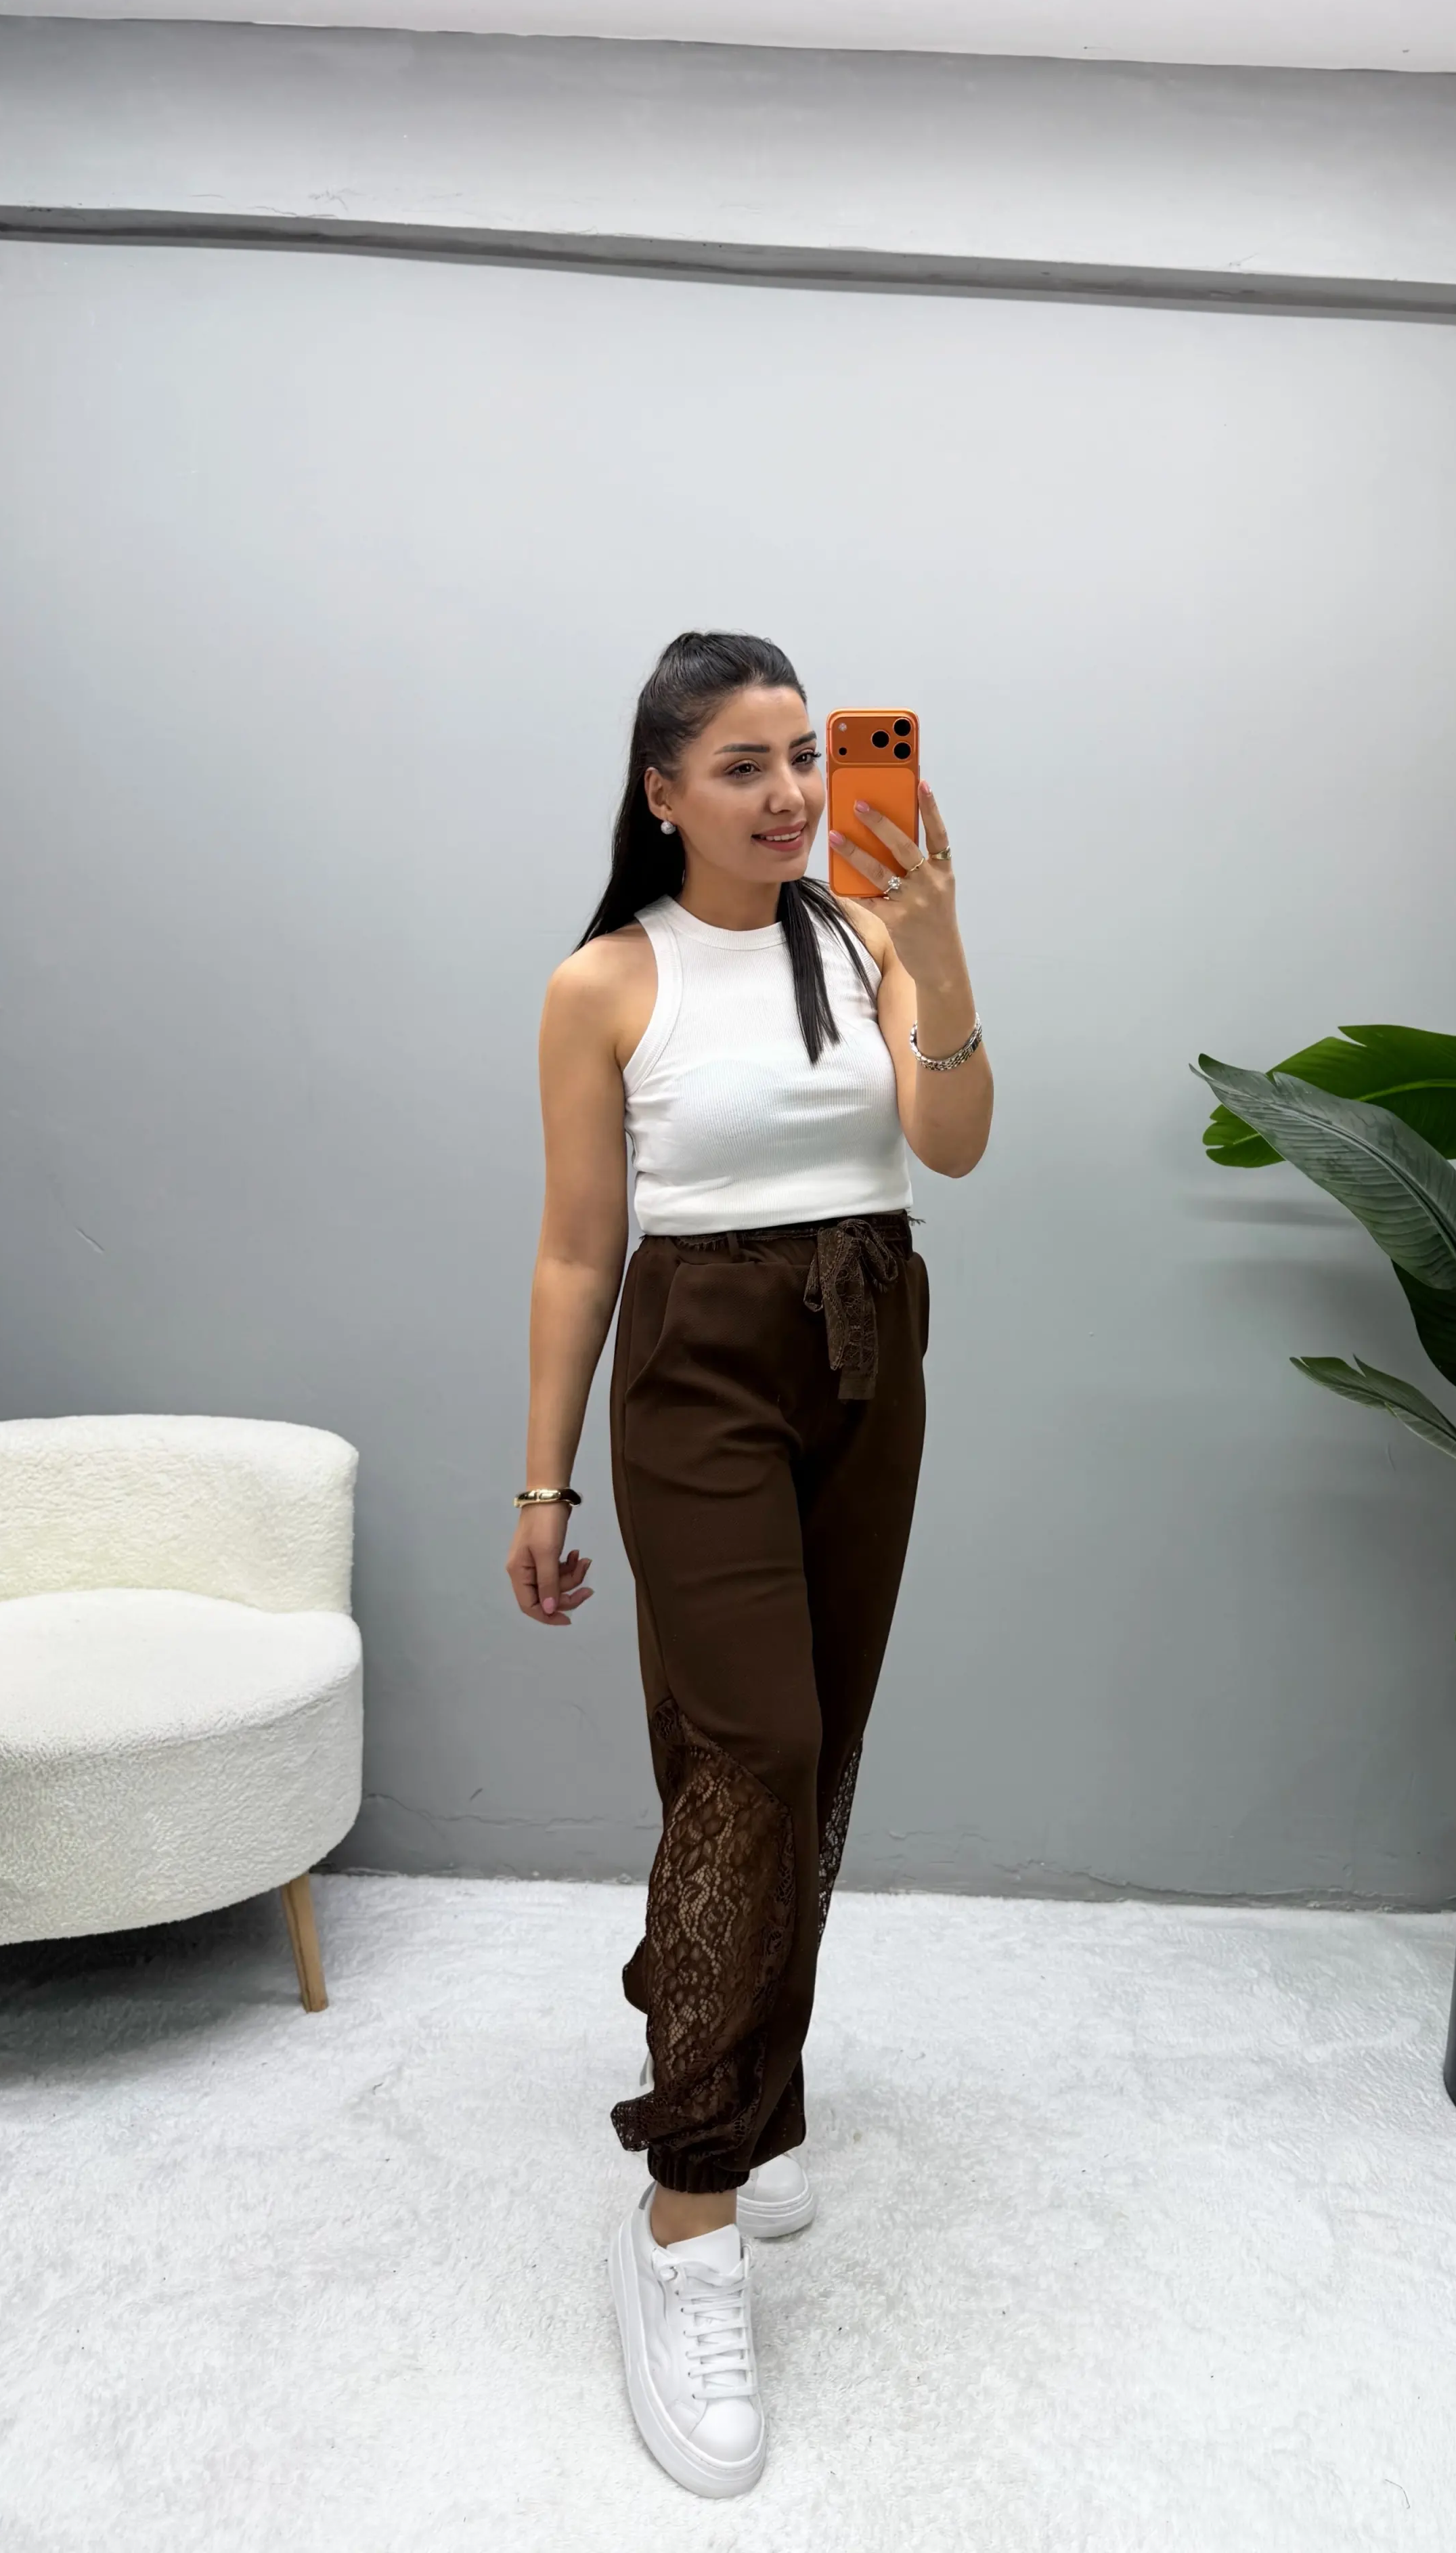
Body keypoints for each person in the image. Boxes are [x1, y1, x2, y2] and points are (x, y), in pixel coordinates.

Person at [507, 632, 992, 2497]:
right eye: (744, 765)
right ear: (661, 793)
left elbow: (952, 1143)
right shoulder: (605, 983)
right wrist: (542, 1482)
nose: (791, 793)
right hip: (699, 1363)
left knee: (818, 1748)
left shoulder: (869, 933)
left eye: (806, 755)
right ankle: (688, 2209)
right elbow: (578, 1248)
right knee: (751, 1751)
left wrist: (937, 946)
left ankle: (751, 2081)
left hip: (873, 1345)